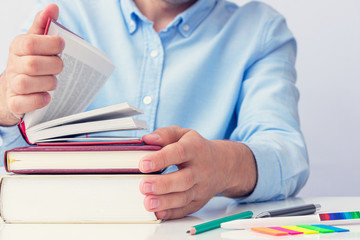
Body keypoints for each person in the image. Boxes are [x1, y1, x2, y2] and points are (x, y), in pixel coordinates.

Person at [0, 0, 309, 220]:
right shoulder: (64, 11)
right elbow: (17, 149)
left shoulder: (260, 30)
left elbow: (286, 152)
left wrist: (222, 166)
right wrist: (5, 104)